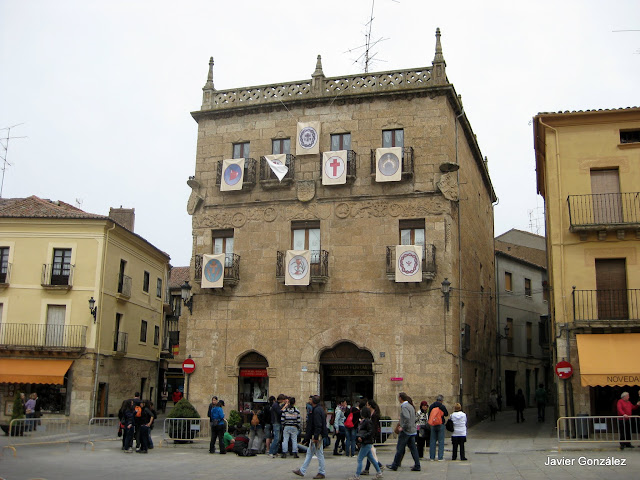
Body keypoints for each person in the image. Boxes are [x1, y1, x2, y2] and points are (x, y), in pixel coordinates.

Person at [293, 394, 327, 479]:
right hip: (317, 434)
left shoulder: (316, 411)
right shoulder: (318, 409)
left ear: (313, 401)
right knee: (310, 453)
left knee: (319, 454)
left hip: (317, 435)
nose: (309, 401)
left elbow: (318, 425)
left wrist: (315, 437)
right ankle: (302, 470)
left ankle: (321, 472)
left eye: (311, 400)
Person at [386, 392, 421, 472]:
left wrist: (403, 427)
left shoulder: (404, 406)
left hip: (406, 431)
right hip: (412, 431)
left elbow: (407, 418)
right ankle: (417, 464)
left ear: (400, 398)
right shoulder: (410, 406)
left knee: (400, 448)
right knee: (413, 449)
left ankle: (395, 465)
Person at [349, 407, 383, 480]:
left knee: (359, 458)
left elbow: (370, 432)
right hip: (366, 442)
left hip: (366, 442)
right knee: (372, 459)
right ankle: (379, 472)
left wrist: (362, 437)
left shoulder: (367, 422)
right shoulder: (365, 421)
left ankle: (357, 475)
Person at [361, 399, 384, 476]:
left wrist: (371, 434)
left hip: (372, 435)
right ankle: (371, 467)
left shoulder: (374, 415)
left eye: (367, 405)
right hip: (371, 435)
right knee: (370, 452)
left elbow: (373, 427)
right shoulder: (372, 414)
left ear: (370, 406)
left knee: (370, 452)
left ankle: (378, 466)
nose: (366, 406)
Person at [428, 394, 449, 461]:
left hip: (433, 425)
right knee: (441, 441)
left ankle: (432, 457)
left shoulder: (431, 406)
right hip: (440, 424)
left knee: (432, 441)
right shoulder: (441, 406)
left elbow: (429, 415)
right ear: (442, 400)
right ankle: (440, 457)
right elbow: (446, 414)